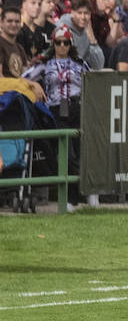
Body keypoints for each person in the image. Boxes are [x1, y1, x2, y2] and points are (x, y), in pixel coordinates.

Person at [22, 25, 88, 204]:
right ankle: (70, 198)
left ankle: (81, 195)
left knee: (80, 151)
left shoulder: (80, 64)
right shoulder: (44, 65)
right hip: (56, 110)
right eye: (58, 43)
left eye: (65, 43)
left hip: (76, 108)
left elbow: (94, 81)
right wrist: (35, 86)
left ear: (71, 44)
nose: (62, 46)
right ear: (53, 44)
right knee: (66, 154)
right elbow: (23, 78)